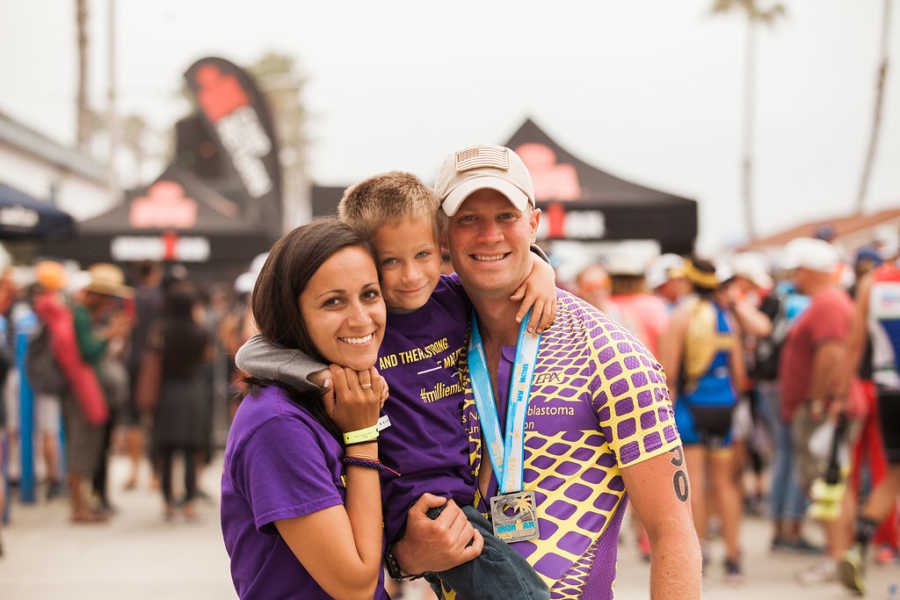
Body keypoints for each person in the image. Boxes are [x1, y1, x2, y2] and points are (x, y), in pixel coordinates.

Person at [389, 145, 700, 599]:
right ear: (442, 235)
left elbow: (673, 534)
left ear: (533, 224)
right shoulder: (427, 340)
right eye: (468, 219)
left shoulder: (610, 355)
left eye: (506, 217)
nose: (489, 235)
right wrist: (405, 558)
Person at [236, 171, 557, 599]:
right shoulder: (291, 406)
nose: (409, 276)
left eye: (423, 254)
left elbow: (499, 273)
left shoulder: (448, 300)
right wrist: (322, 378)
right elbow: (254, 353)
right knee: (514, 589)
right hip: (407, 495)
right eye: (389, 262)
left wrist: (539, 267)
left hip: (453, 495)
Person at [221, 219, 391, 599]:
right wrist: (363, 436)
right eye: (333, 301)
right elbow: (356, 586)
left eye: (370, 294)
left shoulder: (335, 395)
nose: (361, 318)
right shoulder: (277, 425)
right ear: (291, 315)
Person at [658, 256, 746, 580]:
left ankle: (701, 552)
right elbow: (739, 372)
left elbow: (666, 372)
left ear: (688, 281)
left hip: (691, 407)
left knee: (692, 483)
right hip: (724, 406)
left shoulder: (681, 315)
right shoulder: (726, 317)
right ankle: (734, 557)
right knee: (726, 483)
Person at [777, 238, 854, 585]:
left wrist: (817, 401)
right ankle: (839, 554)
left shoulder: (827, 304)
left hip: (820, 409)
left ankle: (835, 556)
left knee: (825, 484)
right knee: (830, 483)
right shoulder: (827, 301)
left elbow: (831, 354)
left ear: (807, 270)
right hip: (820, 406)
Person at [838, 254, 900, 594]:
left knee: (893, 473)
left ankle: (857, 547)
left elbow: (854, 345)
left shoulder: (872, 282)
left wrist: (839, 392)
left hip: (888, 390)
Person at [138, 284, 211, 520]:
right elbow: (207, 358)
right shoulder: (199, 332)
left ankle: (168, 502)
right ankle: (189, 502)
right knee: (190, 450)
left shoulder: (161, 331)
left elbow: (152, 360)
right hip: (192, 392)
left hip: (167, 392)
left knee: (167, 450)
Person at [123, 259, 163, 491]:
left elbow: (127, 329)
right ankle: (155, 475)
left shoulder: (131, 298)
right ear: (154, 273)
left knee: (133, 419)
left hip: (133, 360)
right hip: (154, 364)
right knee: (155, 419)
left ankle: (134, 472)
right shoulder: (159, 299)